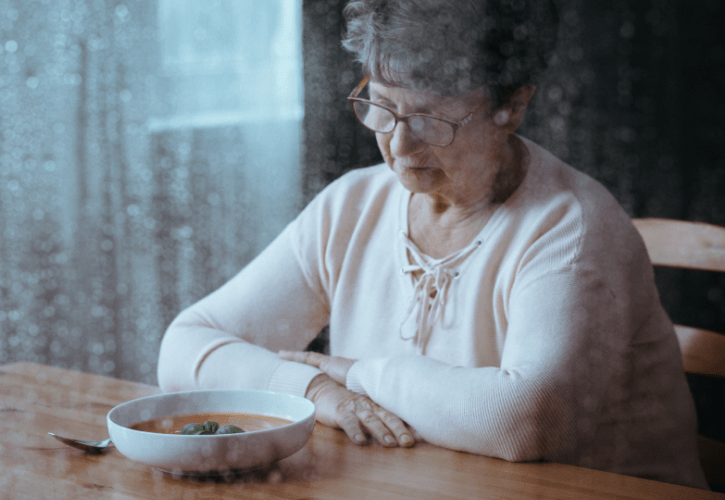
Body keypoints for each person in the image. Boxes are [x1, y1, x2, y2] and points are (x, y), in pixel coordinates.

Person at [157, 0, 708, 489]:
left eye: (427, 117)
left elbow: (526, 421)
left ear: (511, 106)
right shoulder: (352, 206)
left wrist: (358, 374)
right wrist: (316, 390)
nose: (398, 144)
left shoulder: (572, 228)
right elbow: (186, 346)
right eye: (380, 105)